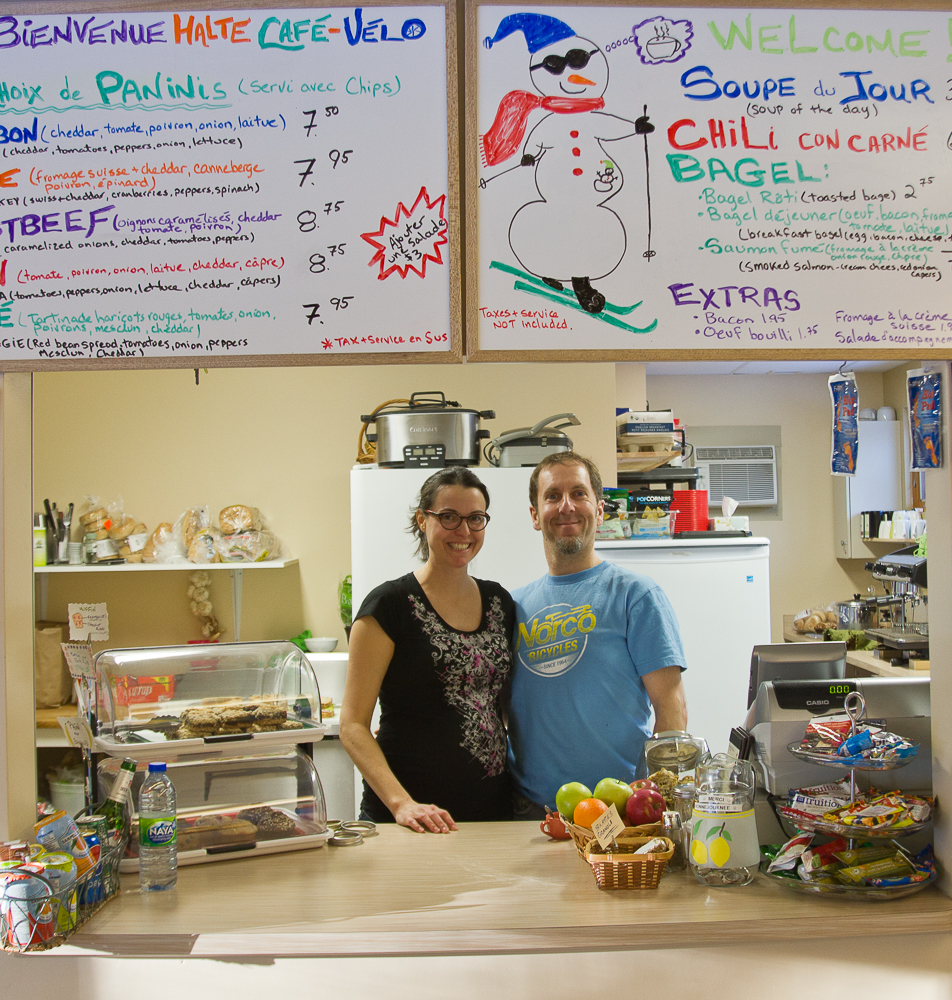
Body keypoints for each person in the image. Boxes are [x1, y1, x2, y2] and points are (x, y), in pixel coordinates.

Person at [507, 452, 688, 820]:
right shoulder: (513, 606)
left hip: (618, 812)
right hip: (528, 815)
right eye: (552, 495)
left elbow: (672, 711)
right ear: (534, 515)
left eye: (579, 493)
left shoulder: (635, 595)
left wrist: (647, 800)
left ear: (601, 510)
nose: (566, 506)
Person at [340, 467, 515, 833]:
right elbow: (353, 726)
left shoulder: (500, 602)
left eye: (476, 519)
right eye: (448, 517)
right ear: (423, 519)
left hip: (492, 812)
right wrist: (402, 804)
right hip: (409, 818)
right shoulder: (388, 606)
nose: (464, 531)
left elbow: (508, 707)